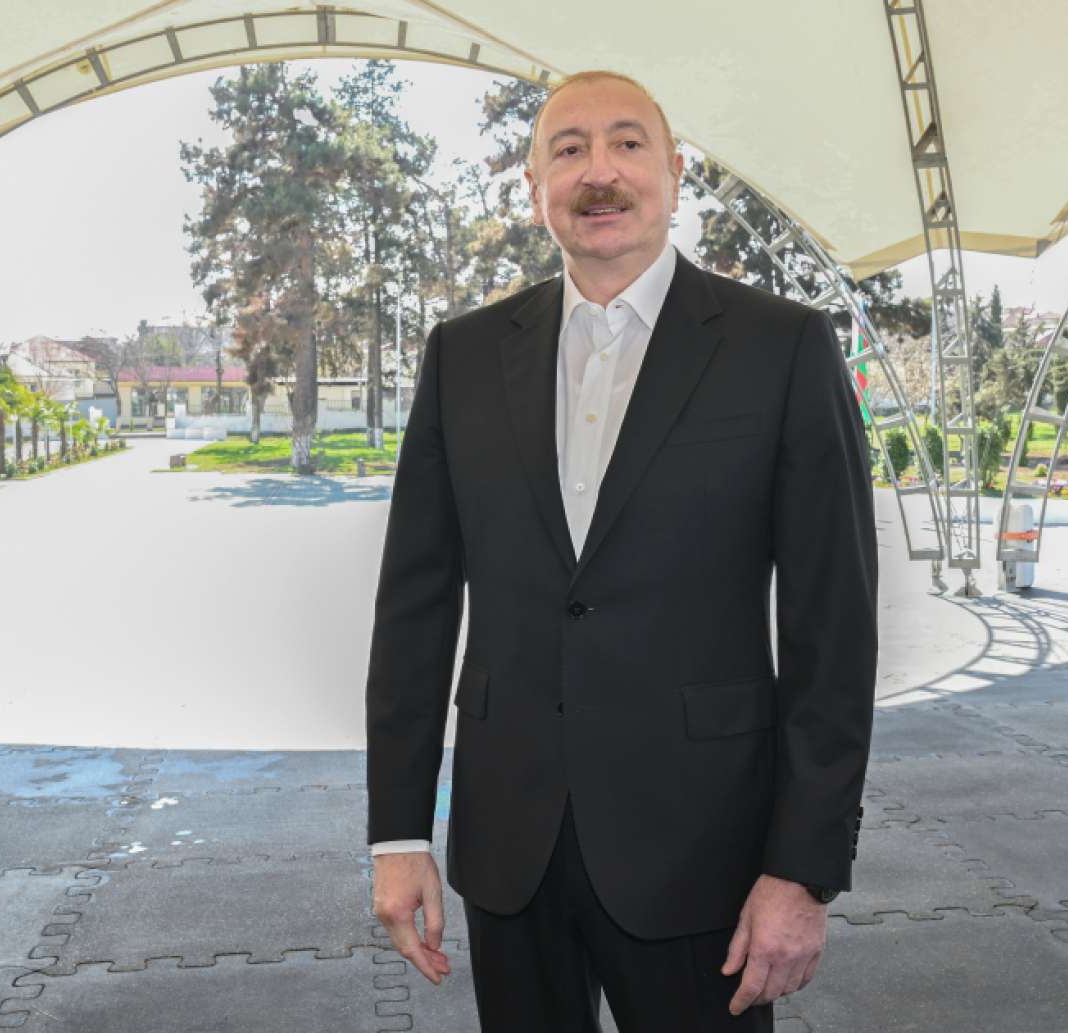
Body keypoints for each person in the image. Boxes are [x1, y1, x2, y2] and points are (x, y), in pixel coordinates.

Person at [365, 69, 878, 1032]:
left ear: (676, 174)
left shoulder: (783, 347)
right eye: (568, 150)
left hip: (706, 852)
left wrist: (803, 868)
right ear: (535, 189)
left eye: (627, 143)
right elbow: (414, 610)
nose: (598, 171)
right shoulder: (462, 355)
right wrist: (397, 831)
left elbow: (834, 631)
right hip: (510, 848)